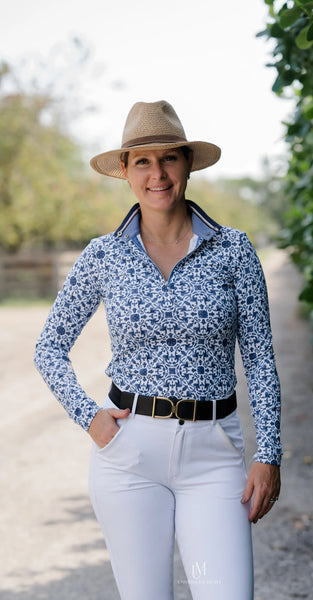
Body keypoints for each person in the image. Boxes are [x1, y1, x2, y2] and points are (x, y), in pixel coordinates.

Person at [34, 99, 281, 600]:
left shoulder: (233, 250)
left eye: (170, 157)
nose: (158, 173)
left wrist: (270, 452)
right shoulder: (103, 255)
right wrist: (91, 418)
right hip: (129, 456)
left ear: (188, 163)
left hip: (214, 454)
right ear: (124, 170)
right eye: (143, 161)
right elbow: (48, 347)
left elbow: (259, 358)